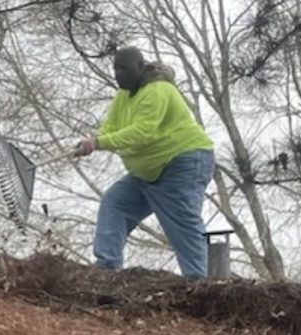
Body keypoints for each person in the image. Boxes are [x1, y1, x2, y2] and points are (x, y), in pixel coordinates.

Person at [74, 47, 215, 279]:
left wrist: (99, 143)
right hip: (148, 172)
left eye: (124, 69)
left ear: (140, 67)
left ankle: (198, 282)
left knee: (181, 219)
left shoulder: (158, 90)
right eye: (115, 70)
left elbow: (143, 132)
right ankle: (107, 267)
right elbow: (111, 127)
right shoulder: (123, 96)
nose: (119, 75)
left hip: (181, 161)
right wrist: (92, 141)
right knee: (115, 202)